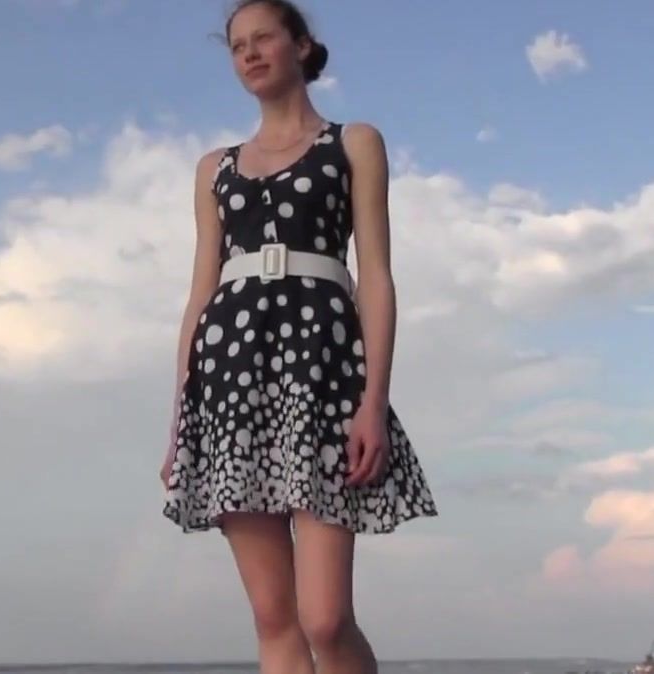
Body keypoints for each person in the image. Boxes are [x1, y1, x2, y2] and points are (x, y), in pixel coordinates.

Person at [160, 0, 438, 671]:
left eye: (263, 39)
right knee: (273, 618)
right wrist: (180, 418)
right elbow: (200, 293)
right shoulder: (214, 168)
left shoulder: (353, 143)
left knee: (326, 618)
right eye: (237, 47)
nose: (249, 54)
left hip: (323, 374)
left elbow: (376, 278)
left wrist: (373, 402)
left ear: (302, 47)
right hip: (228, 380)